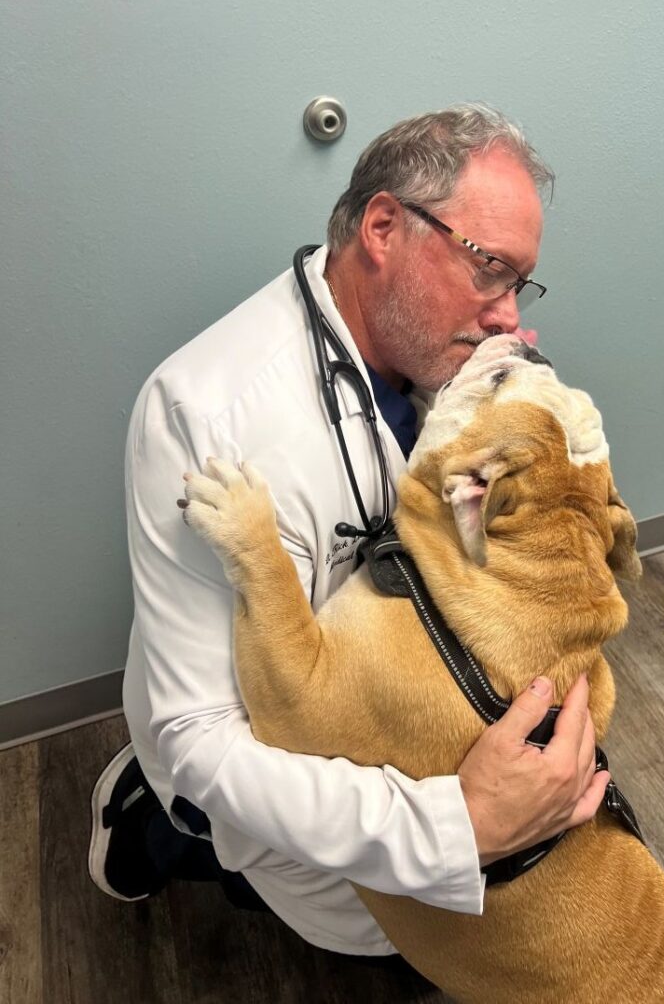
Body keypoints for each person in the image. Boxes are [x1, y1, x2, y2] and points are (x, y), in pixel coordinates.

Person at [88, 104, 611, 959]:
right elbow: (202, 738)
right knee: (364, 924)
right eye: (491, 272)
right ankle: (153, 828)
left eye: (522, 284)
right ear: (382, 227)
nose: (510, 320)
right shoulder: (202, 413)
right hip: (270, 739)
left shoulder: (466, 364)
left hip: (400, 698)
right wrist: (458, 826)